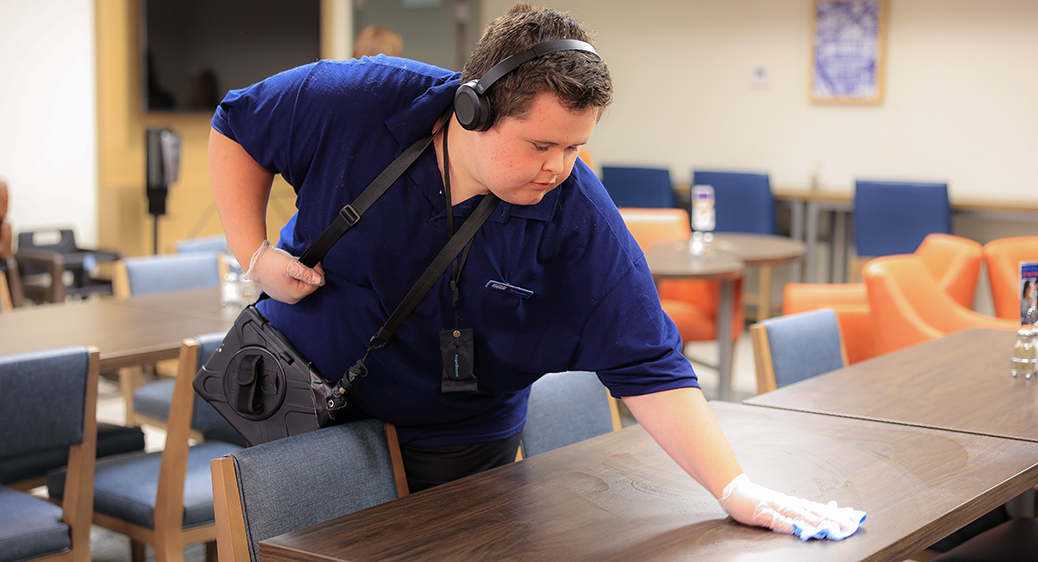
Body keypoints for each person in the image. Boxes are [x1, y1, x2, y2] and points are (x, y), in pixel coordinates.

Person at [208, 2, 864, 539]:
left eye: (576, 147)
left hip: (453, 441)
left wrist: (734, 487)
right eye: (541, 145)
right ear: (474, 109)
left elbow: (651, 363)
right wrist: (254, 255)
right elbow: (237, 125)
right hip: (296, 396)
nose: (558, 168)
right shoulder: (359, 100)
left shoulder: (577, 214)